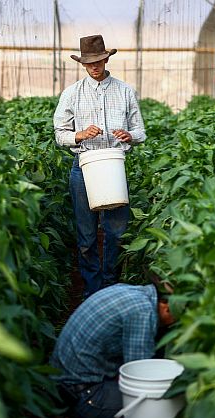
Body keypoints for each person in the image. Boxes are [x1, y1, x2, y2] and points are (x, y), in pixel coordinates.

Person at [54, 35, 146, 300]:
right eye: (89, 62)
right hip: (84, 167)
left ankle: (110, 285)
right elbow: (60, 133)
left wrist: (130, 136)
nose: (94, 66)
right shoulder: (72, 93)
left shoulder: (125, 91)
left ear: (106, 59)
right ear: (83, 64)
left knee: (116, 232)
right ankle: (92, 290)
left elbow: (140, 130)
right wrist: (80, 135)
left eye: (98, 60)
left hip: (114, 165)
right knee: (86, 236)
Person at [50, 282, 175, 418]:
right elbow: (141, 376)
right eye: (175, 318)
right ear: (166, 306)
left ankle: (68, 415)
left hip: (62, 385)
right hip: (81, 394)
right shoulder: (142, 312)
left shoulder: (131, 292)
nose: (172, 324)